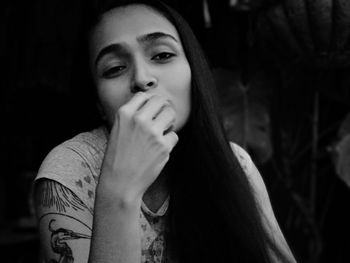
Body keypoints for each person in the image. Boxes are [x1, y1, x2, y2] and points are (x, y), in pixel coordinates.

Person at [33, 0, 297, 262]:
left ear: (194, 71)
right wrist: (118, 191)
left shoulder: (234, 163)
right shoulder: (71, 170)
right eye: (114, 68)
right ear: (99, 105)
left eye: (162, 55)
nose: (141, 78)